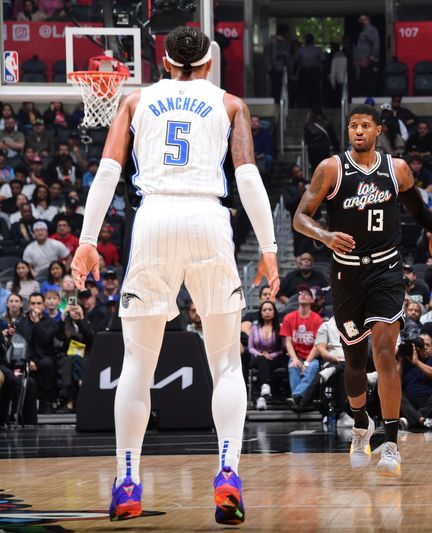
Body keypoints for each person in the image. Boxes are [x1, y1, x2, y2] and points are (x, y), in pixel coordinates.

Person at [70, 27, 280, 524]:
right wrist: (269, 250)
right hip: (209, 218)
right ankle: (227, 473)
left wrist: (85, 241)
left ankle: (127, 482)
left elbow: (106, 174)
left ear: (164, 62)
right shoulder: (230, 104)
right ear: (209, 63)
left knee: (137, 367)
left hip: (154, 219)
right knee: (227, 362)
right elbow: (247, 177)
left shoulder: (135, 100)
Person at [293, 104, 432, 477]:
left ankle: (391, 443)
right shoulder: (331, 168)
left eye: (365, 125)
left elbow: (420, 213)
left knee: (385, 352)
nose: (357, 131)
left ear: (379, 130)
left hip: (386, 269)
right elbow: (300, 217)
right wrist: (326, 236)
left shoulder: (397, 170)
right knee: (355, 364)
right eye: (352, 125)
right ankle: (362, 424)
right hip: (346, 276)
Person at [247, 301, 284, 410]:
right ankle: (264, 387)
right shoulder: (254, 328)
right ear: (261, 313)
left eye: (270, 309)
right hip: (256, 359)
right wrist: (261, 354)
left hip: (274, 359)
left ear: (274, 312)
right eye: (264, 310)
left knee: (264, 363)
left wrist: (271, 355)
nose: (267, 312)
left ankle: (261, 397)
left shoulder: (279, 328)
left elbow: (281, 349)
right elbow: (250, 348)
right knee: (262, 360)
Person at [354, 15, 380, 97]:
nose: (360, 21)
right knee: (363, 79)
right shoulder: (363, 30)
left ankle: (370, 96)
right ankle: (364, 94)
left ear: (367, 19)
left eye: (362, 19)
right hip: (362, 61)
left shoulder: (371, 30)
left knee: (369, 80)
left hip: (369, 61)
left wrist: (372, 56)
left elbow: (376, 44)